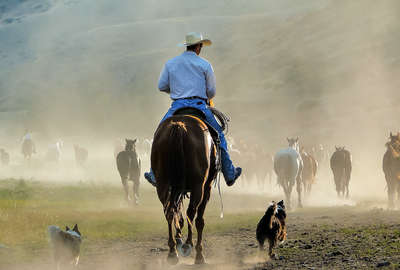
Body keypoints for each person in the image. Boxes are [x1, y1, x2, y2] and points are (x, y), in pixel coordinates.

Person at [144, 32, 242, 186]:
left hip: (176, 106)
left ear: (186, 46)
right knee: (219, 135)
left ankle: (154, 173)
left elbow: (161, 86)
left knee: (158, 135)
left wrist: (177, 91)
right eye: (201, 46)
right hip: (199, 106)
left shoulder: (171, 64)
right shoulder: (205, 65)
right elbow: (212, 92)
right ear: (198, 47)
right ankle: (229, 174)